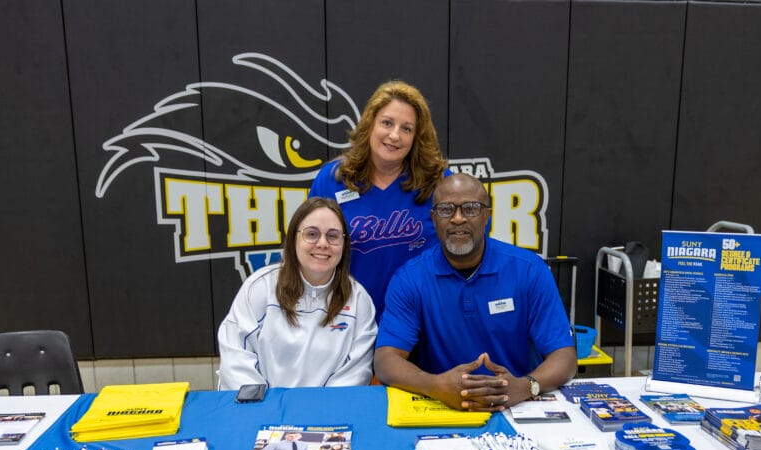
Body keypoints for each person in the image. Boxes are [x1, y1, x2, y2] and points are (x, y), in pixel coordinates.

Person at [374, 173, 577, 412]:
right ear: (434, 218)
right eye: (446, 209)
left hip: (518, 405)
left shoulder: (529, 270)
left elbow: (564, 356)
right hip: (445, 406)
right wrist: (434, 385)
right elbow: (386, 361)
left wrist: (525, 386)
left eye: (470, 209)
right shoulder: (410, 278)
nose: (458, 218)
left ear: (487, 215)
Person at [309, 80, 449, 319]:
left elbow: (471, 238)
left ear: (417, 137)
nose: (394, 135)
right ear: (370, 125)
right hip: (350, 318)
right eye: (387, 123)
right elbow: (306, 242)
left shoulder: (438, 181)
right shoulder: (333, 179)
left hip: (421, 318)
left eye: (407, 129)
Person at [217, 197, 376, 389]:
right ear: (294, 238)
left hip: (326, 414)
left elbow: (356, 374)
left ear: (344, 244)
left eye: (333, 236)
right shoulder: (260, 287)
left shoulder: (358, 300)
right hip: (264, 410)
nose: (323, 243)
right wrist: (266, 412)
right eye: (312, 234)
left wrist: (318, 414)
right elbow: (236, 359)